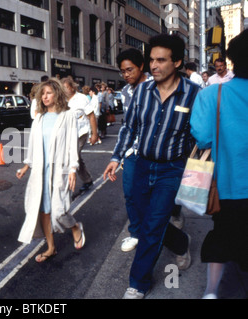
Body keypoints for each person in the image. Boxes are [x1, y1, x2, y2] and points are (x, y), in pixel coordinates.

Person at [103, 34, 201, 299]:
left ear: (177, 61)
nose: (153, 65)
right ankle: (181, 243)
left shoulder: (193, 94)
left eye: (161, 60)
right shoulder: (142, 92)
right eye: (151, 60)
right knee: (146, 220)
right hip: (143, 165)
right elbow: (129, 127)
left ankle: (138, 283)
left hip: (171, 170)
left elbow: (201, 137)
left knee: (153, 226)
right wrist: (116, 158)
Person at [190, 29, 248, 299]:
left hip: (226, 185)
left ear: (232, 60)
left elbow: (202, 137)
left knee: (222, 234)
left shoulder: (212, 95)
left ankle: (212, 292)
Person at [16, 78, 85, 262]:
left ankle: (75, 227)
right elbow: (32, 144)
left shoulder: (67, 116)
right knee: (44, 211)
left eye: (48, 93)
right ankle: (51, 248)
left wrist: (72, 169)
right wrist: (26, 166)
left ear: (57, 94)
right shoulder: (39, 118)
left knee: (59, 210)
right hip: (41, 170)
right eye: (42, 94)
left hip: (59, 170)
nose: (45, 97)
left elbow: (72, 144)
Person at [116, 48, 149, 252]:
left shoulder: (154, 87)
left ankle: (176, 239)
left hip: (153, 151)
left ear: (141, 67)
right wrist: (119, 154)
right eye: (123, 71)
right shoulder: (125, 92)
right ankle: (135, 232)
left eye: (130, 70)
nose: (126, 75)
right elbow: (127, 124)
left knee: (152, 199)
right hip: (131, 152)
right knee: (130, 194)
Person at [61, 77, 98, 192]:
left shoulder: (82, 99)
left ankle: (65, 186)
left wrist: (94, 134)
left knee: (72, 156)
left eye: (66, 88)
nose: (64, 90)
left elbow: (91, 116)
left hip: (81, 133)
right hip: (67, 134)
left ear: (72, 87)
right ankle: (87, 180)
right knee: (76, 158)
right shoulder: (61, 100)